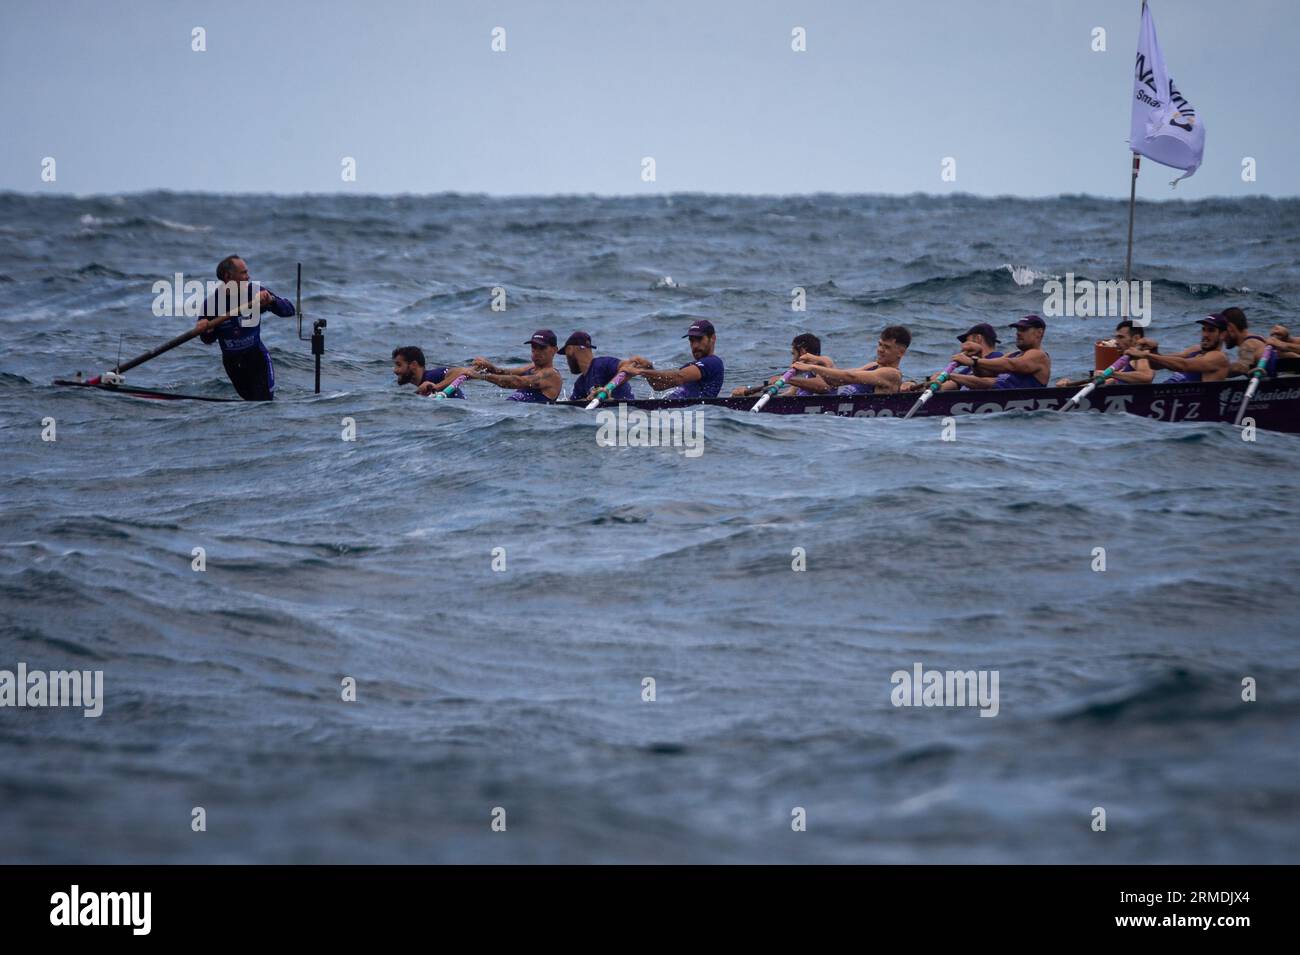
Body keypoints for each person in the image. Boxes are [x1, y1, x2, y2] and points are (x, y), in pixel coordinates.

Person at [194, 255, 295, 400]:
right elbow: (207, 340)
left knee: (263, 403)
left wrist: (271, 300)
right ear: (228, 276)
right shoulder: (211, 304)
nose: (248, 277)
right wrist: (206, 331)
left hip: (256, 358)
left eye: (247, 272)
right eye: (243, 273)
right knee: (250, 404)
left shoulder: (255, 293)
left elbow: (289, 310)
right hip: (233, 364)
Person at [789, 325, 911, 395]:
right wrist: (819, 362)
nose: (880, 350)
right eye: (880, 345)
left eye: (887, 347)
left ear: (901, 352)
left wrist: (812, 367)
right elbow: (836, 380)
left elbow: (850, 376)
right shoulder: (872, 366)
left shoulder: (891, 373)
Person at [618, 319, 724, 398]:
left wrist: (639, 371)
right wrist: (648, 368)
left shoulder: (713, 362)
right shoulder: (689, 366)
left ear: (713, 338)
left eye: (700, 339)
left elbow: (678, 377)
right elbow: (659, 386)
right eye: (692, 341)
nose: (695, 345)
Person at [457, 330, 564, 402]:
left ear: (554, 350)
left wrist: (481, 376)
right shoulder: (531, 367)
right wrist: (489, 367)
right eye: (534, 347)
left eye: (542, 347)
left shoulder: (551, 375)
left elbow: (517, 381)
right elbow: (503, 372)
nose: (536, 351)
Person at [947, 315, 1051, 389]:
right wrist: (976, 360)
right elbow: (984, 375)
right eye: (1017, 330)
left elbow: (1011, 365)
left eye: (1023, 329)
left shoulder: (1039, 355)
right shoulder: (1012, 355)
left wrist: (974, 361)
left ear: (1039, 332)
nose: (1018, 333)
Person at [1125, 315, 1229, 383]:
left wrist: (1146, 355)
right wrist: (1153, 351)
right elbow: (1157, 365)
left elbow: (1183, 365)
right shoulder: (1194, 350)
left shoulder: (1218, 357)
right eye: (1203, 330)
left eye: (1211, 330)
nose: (1205, 335)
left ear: (1223, 335)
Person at [904, 322, 1003, 392]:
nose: (963, 346)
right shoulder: (967, 370)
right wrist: (916, 386)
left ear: (978, 338)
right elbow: (947, 386)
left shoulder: (998, 359)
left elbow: (985, 380)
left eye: (967, 341)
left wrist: (949, 375)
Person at [1054, 320, 1154, 387]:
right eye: (1116, 337)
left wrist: (1113, 373)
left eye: (1121, 337)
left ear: (1136, 338)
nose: (1116, 341)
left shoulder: (1141, 355)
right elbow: (1108, 382)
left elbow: (1146, 377)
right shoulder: (1129, 361)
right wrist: (1069, 386)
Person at [731, 333, 826, 397]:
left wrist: (786, 379)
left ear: (802, 351)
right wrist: (751, 393)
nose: (793, 359)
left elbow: (822, 386)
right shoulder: (802, 374)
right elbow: (790, 394)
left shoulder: (821, 366)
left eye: (794, 354)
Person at [560, 331, 634, 401]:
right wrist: (588, 399)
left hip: (627, 410)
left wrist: (607, 389)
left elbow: (627, 367)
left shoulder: (603, 364)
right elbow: (573, 406)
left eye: (566, 353)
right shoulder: (580, 384)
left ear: (569, 350)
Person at [391, 346, 465, 398]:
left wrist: (436, 387)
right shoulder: (415, 386)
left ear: (413, 365)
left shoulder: (433, 376)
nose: (395, 370)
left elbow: (460, 371)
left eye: (399, 365)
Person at [1222, 308, 1277, 377]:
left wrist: (1216, 371)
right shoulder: (1260, 339)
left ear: (1230, 328)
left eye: (1222, 331)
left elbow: (1242, 367)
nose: (1222, 337)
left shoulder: (1247, 345)